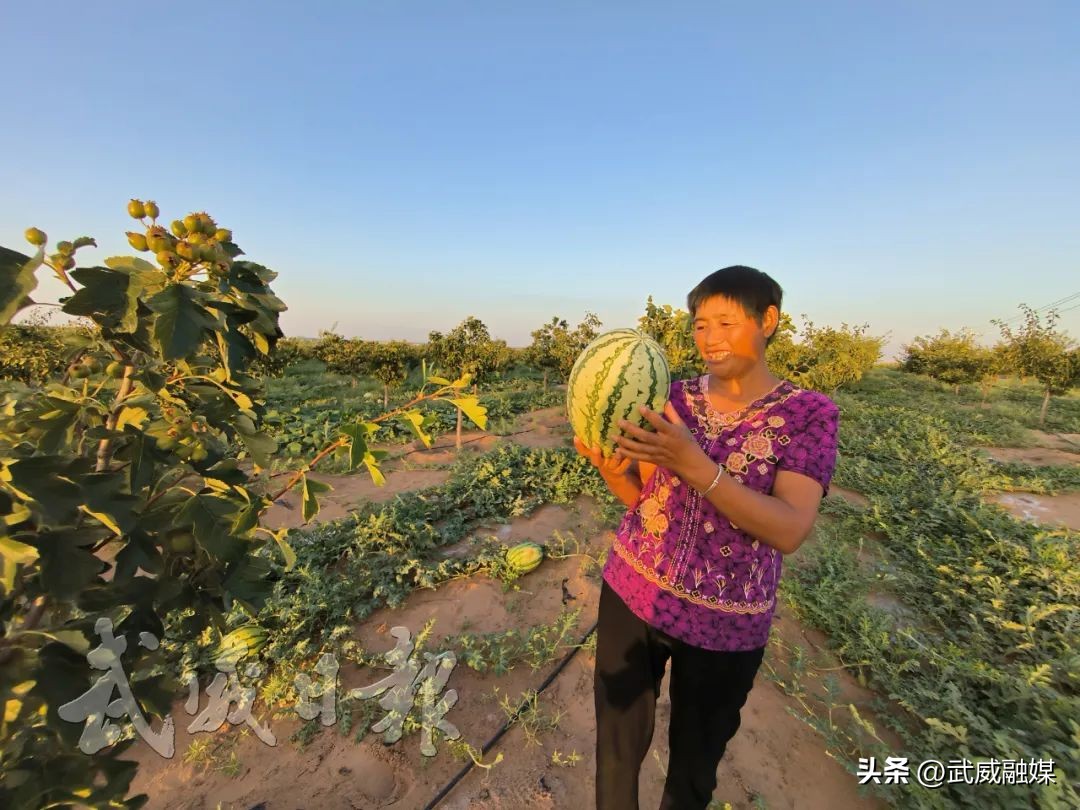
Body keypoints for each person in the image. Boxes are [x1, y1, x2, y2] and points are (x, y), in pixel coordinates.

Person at [574, 265, 840, 810]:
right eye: (699, 325)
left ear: (768, 321)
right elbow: (645, 501)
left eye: (725, 321)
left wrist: (695, 464)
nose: (709, 339)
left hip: (727, 625)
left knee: (693, 770)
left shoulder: (808, 414)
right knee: (617, 751)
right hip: (634, 591)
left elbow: (789, 528)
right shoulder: (670, 397)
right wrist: (606, 466)